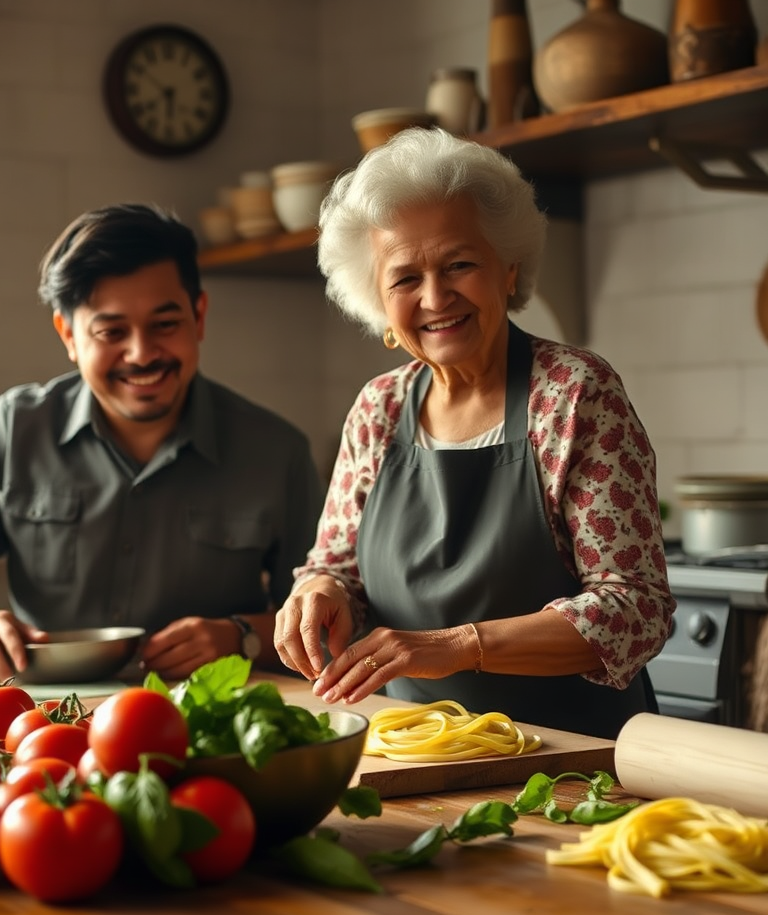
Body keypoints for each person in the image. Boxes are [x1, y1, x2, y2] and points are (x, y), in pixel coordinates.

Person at [273, 128, 674, 739]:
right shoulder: (378, 409)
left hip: (572, 755)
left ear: (508, 270)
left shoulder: (573, 393)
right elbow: (339, 569)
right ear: (378, 300)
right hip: (412, 746)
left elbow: (636, 609)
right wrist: (319, 590)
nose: (437, 297)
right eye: (405, 278)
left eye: (460, 263)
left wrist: (461, 645)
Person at [0, 203, 323, 687]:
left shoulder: (277, 452)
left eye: (164, 325)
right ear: (68, 334)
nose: (141, 353)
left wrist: (242, 637)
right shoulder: (14, 430)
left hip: (212, 722)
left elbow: (333, 615)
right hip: (41, 729)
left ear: (199, 316)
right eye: (111, 332)